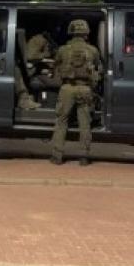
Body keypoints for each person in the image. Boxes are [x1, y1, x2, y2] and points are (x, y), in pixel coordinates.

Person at [50, 19, 103, 166]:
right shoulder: (92, 50)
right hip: (85, 89)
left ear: (71, 32)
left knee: (62, 122)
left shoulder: (63, 50)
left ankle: (57, 156)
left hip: (67, 88)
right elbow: (98, 67)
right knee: (84, 123)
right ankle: (83, 156)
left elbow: (55, 66)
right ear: (86, 33)